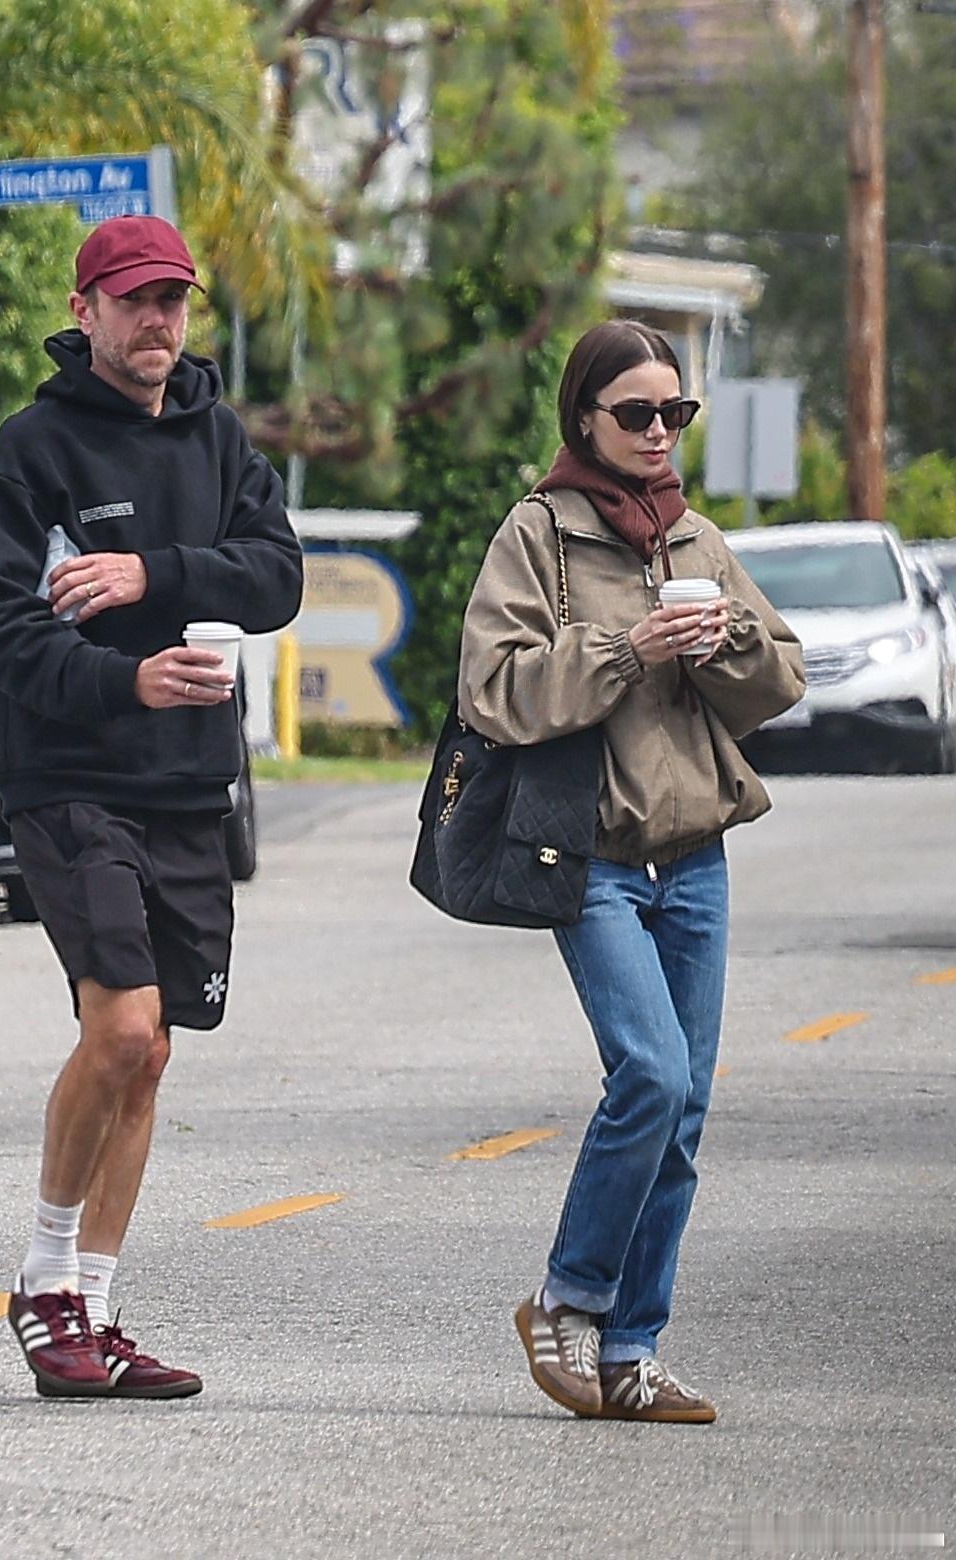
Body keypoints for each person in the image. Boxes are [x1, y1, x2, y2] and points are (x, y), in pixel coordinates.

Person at [0, 214, 303, 1400]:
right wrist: (122, 680)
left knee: (151, 1058)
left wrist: (159, 573)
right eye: (135, 299)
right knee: (122, 1030)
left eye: (174, 300)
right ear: (85, 310)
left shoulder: (218, 438)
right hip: (71, 780)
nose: (158, 320)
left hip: (189, 785)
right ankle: (44, 1285)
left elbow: (278, 576)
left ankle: (94, 1312)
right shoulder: (34, 449)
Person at [457, 320, 805, 1424]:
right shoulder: (540, 535)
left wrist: (723, 642)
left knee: (685, 1110)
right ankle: (567, 1298)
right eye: (637, 414)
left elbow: (782, 677)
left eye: (675, 413)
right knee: (649, 1074)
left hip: (694, 855)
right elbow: (493, 690)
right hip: (595, 853)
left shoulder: (695, 538)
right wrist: (626, 650)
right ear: (585, 419)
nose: (659, 433)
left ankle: (632, 1350)